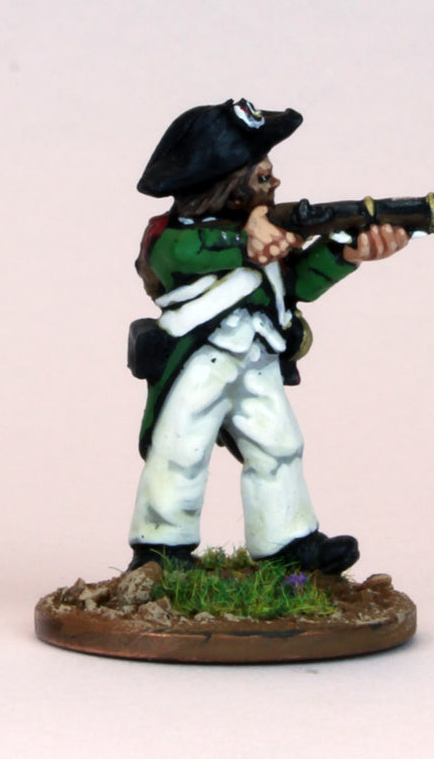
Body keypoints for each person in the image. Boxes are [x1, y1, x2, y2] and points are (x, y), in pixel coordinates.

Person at [127, 98, 407, 574]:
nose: (273, 184)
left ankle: (288, 542)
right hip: (195, 359)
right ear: (227, 186)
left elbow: (299, 284)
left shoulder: (267, 236)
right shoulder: (174, 236)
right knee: (179, 451)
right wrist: (249, 239)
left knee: (279, 445)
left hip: (257, 356)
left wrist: (345, 252)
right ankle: (161, 549)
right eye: (261, 177)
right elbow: (187, 253)